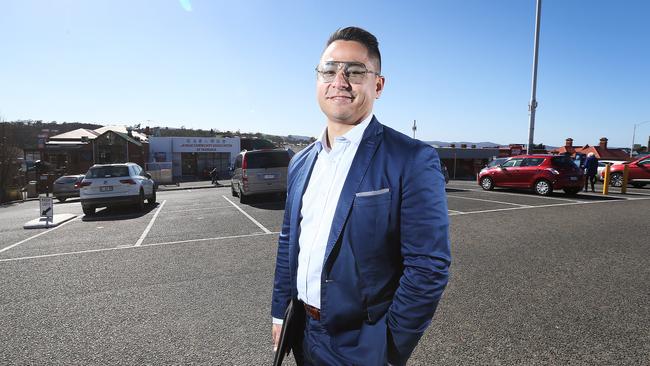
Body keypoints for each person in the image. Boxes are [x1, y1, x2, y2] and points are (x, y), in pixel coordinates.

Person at [271, 27, 451, 366]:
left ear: (378, 85)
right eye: (329, 70)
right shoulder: (300, 161)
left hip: (362, 347)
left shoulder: (411, 159)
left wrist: (387, 348)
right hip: (302, 334)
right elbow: (288, 243)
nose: (340, 80)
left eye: (354, 71)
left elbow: (429, 267)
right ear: (317, 80)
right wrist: (280, 315)